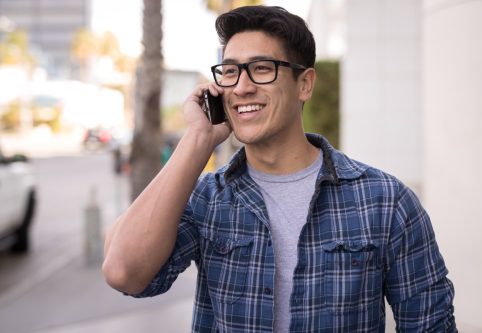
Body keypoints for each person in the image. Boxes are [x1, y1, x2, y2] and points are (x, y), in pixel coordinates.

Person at [102, 5, 456, 332]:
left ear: (305, 84)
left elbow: (430, 325)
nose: (241, 87)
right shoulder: (207, 199)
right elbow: (124, 273)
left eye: (261, 69)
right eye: (229, 72)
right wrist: (198, 139)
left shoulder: (385, 201)